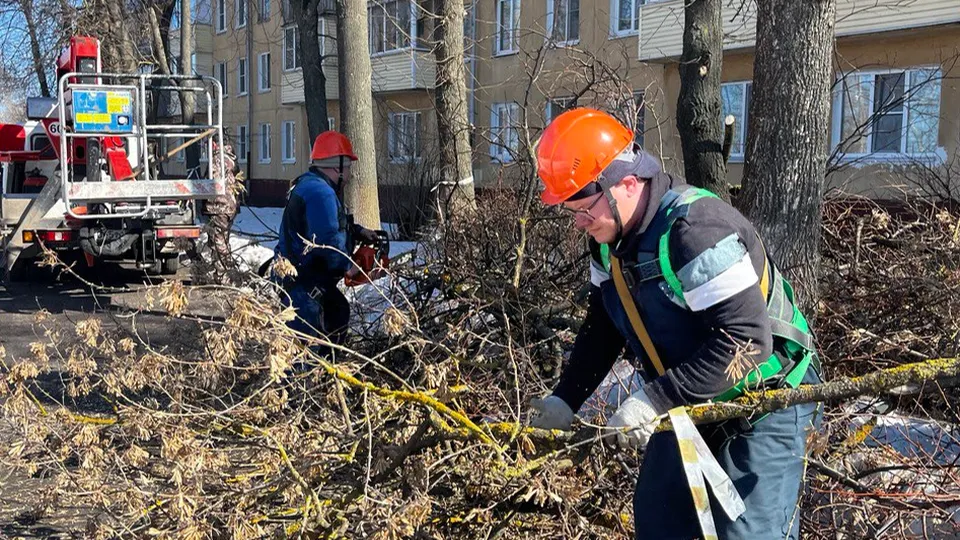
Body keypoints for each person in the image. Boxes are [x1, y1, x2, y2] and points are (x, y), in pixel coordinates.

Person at [530, 108, 822, 540]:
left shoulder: (695, 231)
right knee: (661, 521)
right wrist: (566, 398)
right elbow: (605, 324)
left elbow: (746, 344)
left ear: (626, 184)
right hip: (686, 395)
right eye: (570, 210)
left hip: (765, 399)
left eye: (583, 207)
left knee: (746, 534)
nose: (578, 221)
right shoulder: (608, 245)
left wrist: (653, 400)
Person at [273, 131, 379, 358]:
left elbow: (328, 225)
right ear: (336, 166)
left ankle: (326, 381)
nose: (350, 174)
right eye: (348, 167)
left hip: (301, 280)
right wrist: (348, 267)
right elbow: (328, 239)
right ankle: (304, 387)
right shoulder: (321, 193)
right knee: (305, 352)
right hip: (304, 286)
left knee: (338, 312)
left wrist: (359, 232)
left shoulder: (310, 185)